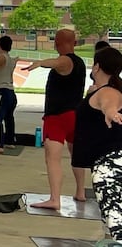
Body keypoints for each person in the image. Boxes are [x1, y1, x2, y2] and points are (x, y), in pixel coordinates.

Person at [25, 26, 87, 211]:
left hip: (58, 117)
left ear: (57, 43)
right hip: (76, 115)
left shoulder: (66, 61)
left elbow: (58, 63)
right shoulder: (81, 63)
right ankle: (81, 192)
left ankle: (54, 199)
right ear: (75, 43)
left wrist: (40, 63)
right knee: (77, 156)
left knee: (52, 159)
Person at [77, 46, 122, 238]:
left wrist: (111, 112)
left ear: (96, 67)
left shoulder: (109, 92)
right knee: (109, 216)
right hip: (108, 161)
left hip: (109, 165)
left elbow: (109, 103)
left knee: (115, 219)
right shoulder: (102, 90)